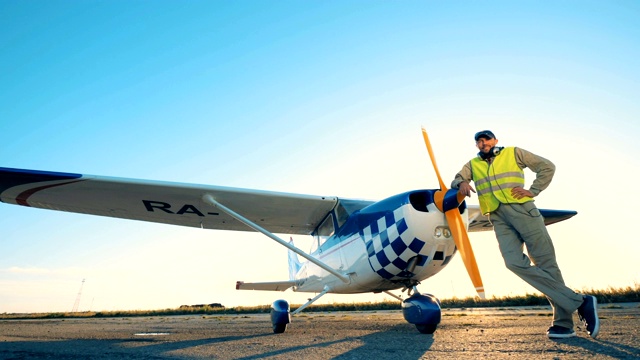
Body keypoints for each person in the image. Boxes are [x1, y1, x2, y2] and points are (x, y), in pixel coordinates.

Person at [451, 130, 600, 339]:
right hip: (497, 217)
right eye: (478, 141)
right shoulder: (473, 164)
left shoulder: (513, 153)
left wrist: (534, 190)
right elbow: (458, 177)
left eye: (486, 139)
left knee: (546, 265)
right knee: (513, 262)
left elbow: (547, 166)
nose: (482, 143)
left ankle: (563, 324)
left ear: (495, 140)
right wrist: (462, 183)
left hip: (523, 210)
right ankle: (580, 302)